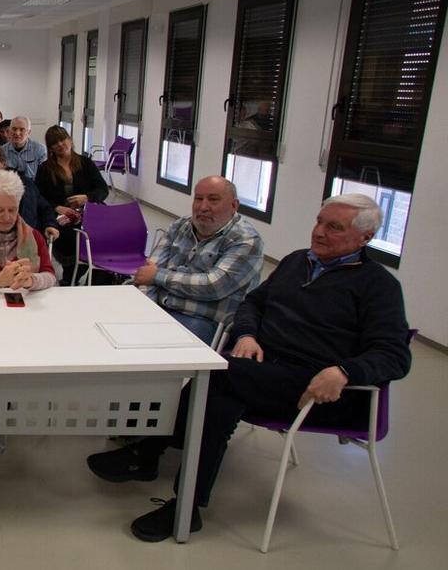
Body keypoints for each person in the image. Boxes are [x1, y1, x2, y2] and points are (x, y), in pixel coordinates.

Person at [87, 194, 411, 543]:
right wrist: (247, 334)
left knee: (216, 376)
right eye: (319, 221)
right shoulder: (296, 262)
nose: (319, 232)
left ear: (365, 238)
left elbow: (394, 355)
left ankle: (149, 454)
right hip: (262, 369)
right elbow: (253, 303)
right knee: (220, 396)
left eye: (334, 227)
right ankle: (185, 505)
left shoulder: (378, 286)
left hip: (317, 389)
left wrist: (345, 372)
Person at [133, 176, 264, 343]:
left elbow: (212, 286)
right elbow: (147, 272)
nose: (203, 207)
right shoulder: (180, 226)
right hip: (159, 307)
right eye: (198, 199)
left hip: (203, 320)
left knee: (152, 346)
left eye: (213, 200)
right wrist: (147, 308)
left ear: (233, 206)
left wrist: (159, 276)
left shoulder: (246, 241)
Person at [35, 125, 108, 274]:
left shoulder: (85, 163)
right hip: (61, 215)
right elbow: (38, 196)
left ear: (69, 139)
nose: (60, 144)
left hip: (87, 212)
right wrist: (56, 207)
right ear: (51, 148)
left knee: (101, 230)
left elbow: (103, 189)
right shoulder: (45, 168)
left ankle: (98, 271)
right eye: (55, 143)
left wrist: (87, 197)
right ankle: (71, 271)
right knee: (68, 234)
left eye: (63, 139)